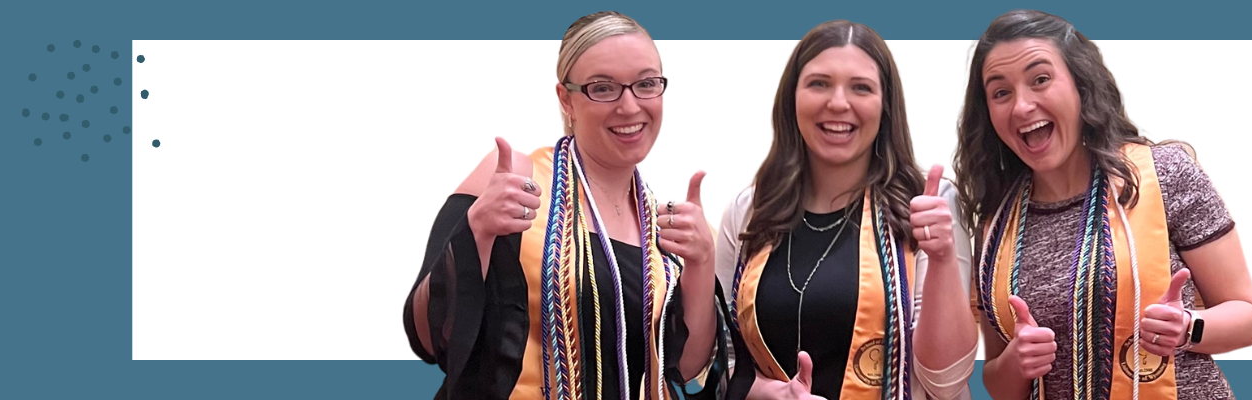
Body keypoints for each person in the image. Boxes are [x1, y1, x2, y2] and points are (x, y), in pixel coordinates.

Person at [402, 11, 731, 400]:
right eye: (603, 88)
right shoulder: (516, 180)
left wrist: (701, 263)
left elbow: (685, 370)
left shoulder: (668, 227)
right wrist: (477, 231)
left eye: (646, 84)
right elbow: (427, 337)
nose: (629, 107)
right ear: (566, 99)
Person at [956, 9, 1252, 400]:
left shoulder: (1162, 174)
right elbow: (1000, 385)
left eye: (1041, 80)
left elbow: (1247, 315)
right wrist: (1018, 362)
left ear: (1081, 86)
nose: (1021, 106)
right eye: (1001, 92)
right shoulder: (996, 225)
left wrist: (1188, 327)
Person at [713, 20, 977, 400]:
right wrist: (769, 393)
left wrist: (940, 258)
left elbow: (945, 381)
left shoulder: (925, 204)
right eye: (819, 83)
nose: (838, 102)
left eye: (861, 88)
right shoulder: (751, 209)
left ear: (886, 106)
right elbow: (723, 360)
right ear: (792, 98)